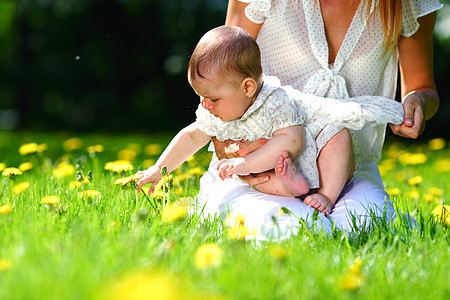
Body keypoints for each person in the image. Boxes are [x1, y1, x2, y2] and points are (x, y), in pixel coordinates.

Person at [195, 0, 442, 238]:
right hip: (260, 172)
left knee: (369, 226)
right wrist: (237, 155)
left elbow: (422, 88)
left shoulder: (407, 3)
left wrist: (417, 103)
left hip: (346, 174)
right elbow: (219, 78)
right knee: (291, 230)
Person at [135, 25, 404, 217]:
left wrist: (246, 162)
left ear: (248, 88)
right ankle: (292, 188)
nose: (204, 105)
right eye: (200, 96)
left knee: (337, 134)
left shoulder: (277, 101)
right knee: (257, 179)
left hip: (310, 154)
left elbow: (293, 141)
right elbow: (192, 136)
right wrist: (161, 169)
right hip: (275, 171)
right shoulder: (218, 109)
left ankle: (326, 195)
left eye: (213, 98)